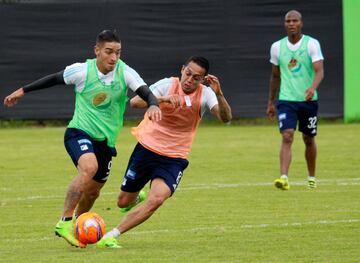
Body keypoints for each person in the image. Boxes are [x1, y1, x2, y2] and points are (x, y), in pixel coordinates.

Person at [3, 30, 161, 247]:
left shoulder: (125, 73)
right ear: (97, 51)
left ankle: (78, 226)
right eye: (109, 52)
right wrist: (22, 91)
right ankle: (64, 222)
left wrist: (153, 104)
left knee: (93, 192)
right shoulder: (82, 71)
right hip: (79, 132)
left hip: (105, 143)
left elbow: (145, 91)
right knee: (89, 167)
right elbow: (54, 79)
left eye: (118, 52)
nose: (114, 58)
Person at [96, 56, 232, 248]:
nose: (190, 80)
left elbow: (226, 118)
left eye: (196, 77)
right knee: (122, 202)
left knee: (157, 199)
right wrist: (162, 99)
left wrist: (219, 94)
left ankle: (112, 235)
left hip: (174, 158)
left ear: (203, 80)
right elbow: (135, 102)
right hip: (146, 150)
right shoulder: (167, 84)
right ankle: (136, 197)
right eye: (188, 74)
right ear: (182, 70)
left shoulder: (206, 94)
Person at [266, 10, 324, 190]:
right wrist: (270, 102)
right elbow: (275, 76)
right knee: (287, 135)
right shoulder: (277, 47)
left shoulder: (311, 44)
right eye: (288, 21)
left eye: (295, 21)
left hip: (308, 101)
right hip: (286, 100)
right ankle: (283, 177)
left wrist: (312, 88)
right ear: (285, 24)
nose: (291, 24)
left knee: (308, 138)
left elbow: (319, 70)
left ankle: (311, 177)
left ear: (301, 23)